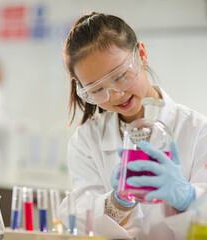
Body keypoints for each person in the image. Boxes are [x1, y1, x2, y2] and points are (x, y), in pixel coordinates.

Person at [60, 12, 207, 239]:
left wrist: (187, 198)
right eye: (97, 90)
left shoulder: (197, 131)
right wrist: (116, 202)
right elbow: (77, 219)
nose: (116, 94)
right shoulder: (86, 141)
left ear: (142, 55)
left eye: (120, 76)